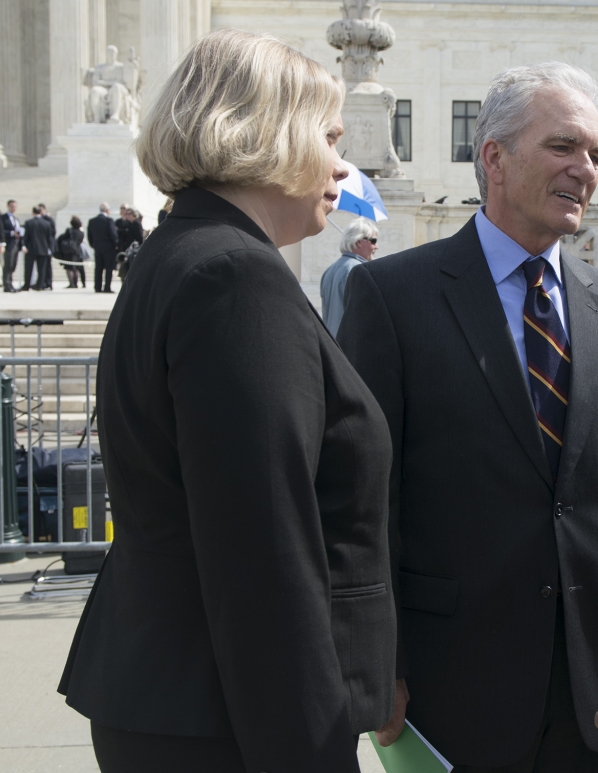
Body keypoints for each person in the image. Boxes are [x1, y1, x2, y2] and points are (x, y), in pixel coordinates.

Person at [58, 29, 395, 773]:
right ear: (266, 133)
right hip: (232, 718)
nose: (343, 163)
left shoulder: (183, 252)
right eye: (330, 134)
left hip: (181, 695)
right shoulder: (234, 278)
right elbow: (264, 556)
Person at [340, 62, 598, 772]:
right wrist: (379, 661)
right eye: (564, 147)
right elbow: (364, 501)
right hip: (451, 686)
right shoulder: (392, 298)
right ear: (493, 156)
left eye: (596, 154)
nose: (586, 169)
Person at [320, 216, 377, 339]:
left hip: (332, 345)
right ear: (358, 242)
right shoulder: (359, 271)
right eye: (373, 241)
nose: (376, 246)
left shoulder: (329, 270)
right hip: (349, 348)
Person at [21, 205, 55, 291]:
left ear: (33, 212)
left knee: (28, 268)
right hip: (43, 249)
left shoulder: (29, 223)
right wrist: (49, 248)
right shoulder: (47, 224)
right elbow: (49, 238)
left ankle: (27, 285)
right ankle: (39, 285)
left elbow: (26, 237)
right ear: (40, 212)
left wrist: (24, 245)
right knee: (42, 269)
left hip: (31, 249)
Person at [88, 203, 118, 293]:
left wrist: (93, 245)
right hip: (108, 247)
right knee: (109, 268)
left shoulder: (92, 221)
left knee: (98, 268)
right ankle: (107, 287)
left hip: (97, 247)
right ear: (107, 210)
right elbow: (112, 234)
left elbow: (89, 236)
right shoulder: (109, 220)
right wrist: (116, 244)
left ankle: (97, 287)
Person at [58, 216, 87, 288]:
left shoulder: (69, 230)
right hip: (77, 251)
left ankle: (72, 283)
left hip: (69, 251)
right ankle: (76, 283)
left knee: (69, 268)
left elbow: (62, 238)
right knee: (75, 268)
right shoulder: (81, 232)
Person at [1, 200, 21, 292]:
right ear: (8, 206)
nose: (13, 208)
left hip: (16, 245)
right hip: (8, 244)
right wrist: (12, 233)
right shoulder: (3, 218)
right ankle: (7, 284)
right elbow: (1, 231)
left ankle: (10, 283)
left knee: (13, 265)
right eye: (12, 206)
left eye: (15, 206)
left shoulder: (16, 218)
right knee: (8, 265)